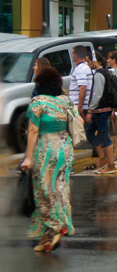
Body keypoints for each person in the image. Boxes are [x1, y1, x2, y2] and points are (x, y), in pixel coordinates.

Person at [19, 65, 76, 253]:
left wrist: (28, 158)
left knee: (43, 189)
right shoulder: (65, 101)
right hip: (65, 147)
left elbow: (33, 130)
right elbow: (77, 121)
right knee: (60, 188)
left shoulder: (37, 103)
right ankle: (47, 237)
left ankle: (56, 226)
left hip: (47, 147)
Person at [84, 54, 116, 175]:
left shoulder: (99, 74)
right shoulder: (106, 72)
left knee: (104, 136)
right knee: (90, 132)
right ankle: (103, 158)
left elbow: (97, 94)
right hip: (104, 109)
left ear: (95, 61)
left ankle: (111, 165)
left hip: (100, 110)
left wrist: (90, 110)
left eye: (88, 61)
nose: (87, 64)